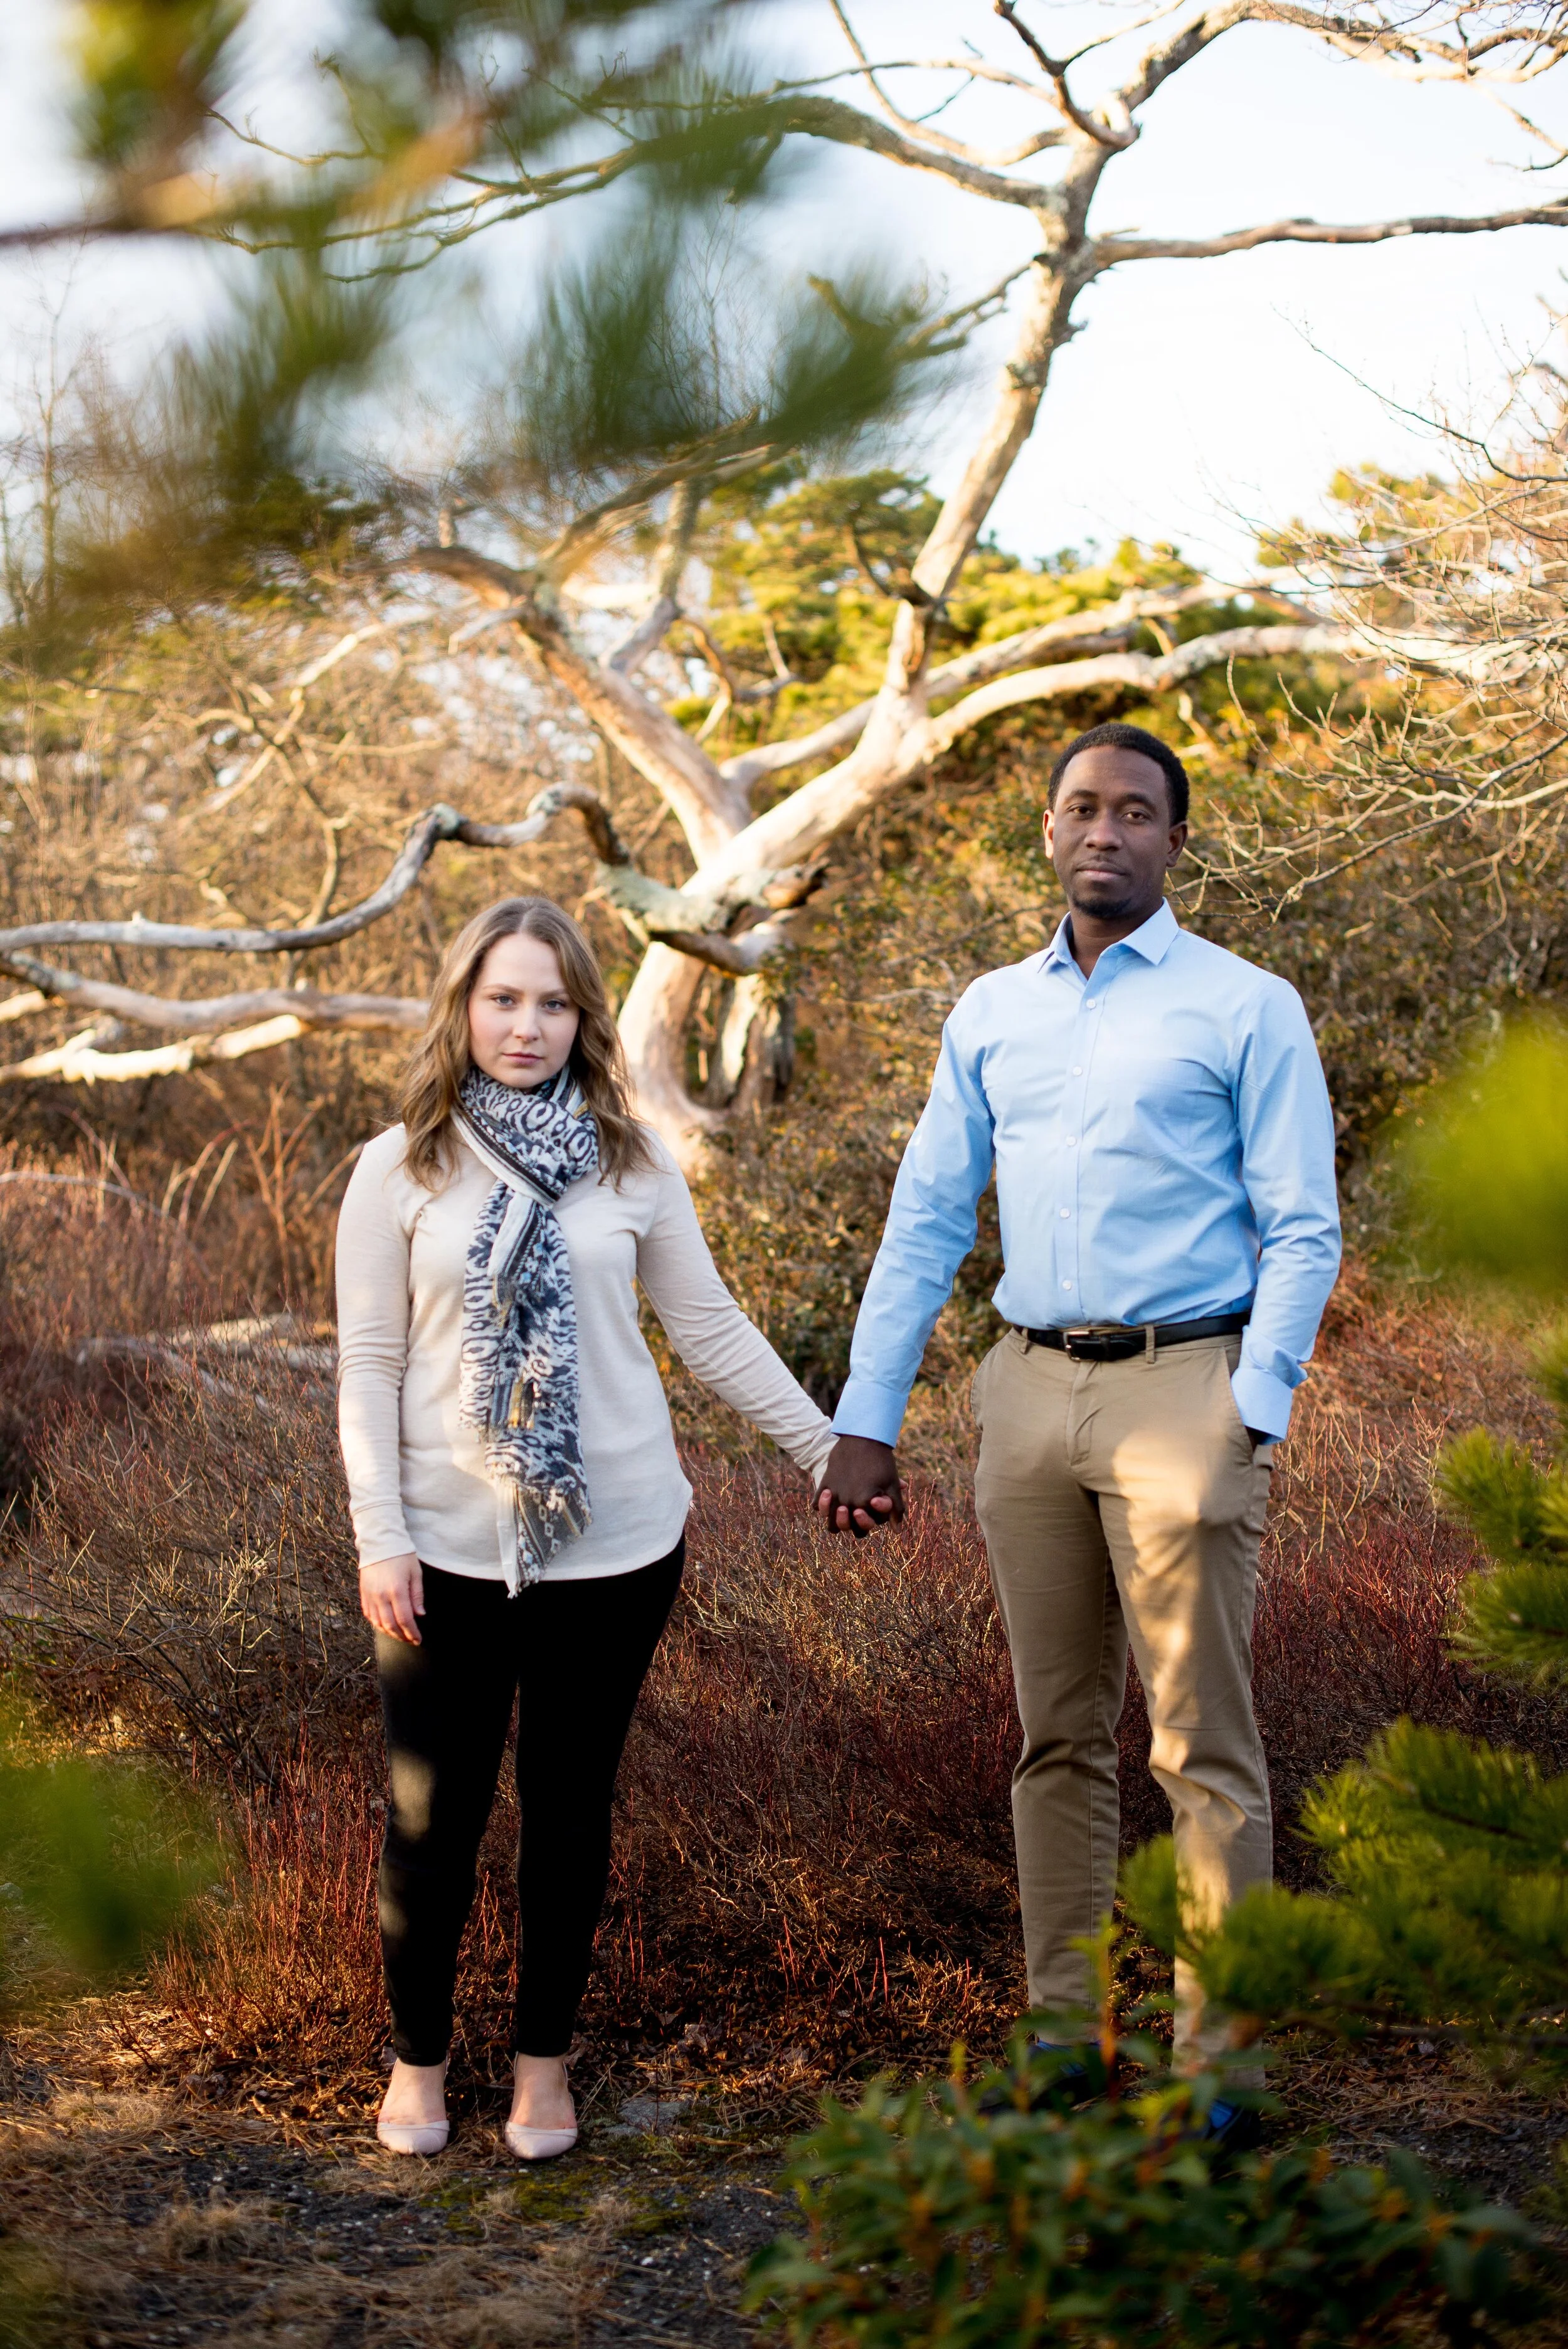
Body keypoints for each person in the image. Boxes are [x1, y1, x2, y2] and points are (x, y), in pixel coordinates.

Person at [817, 722, 1340, 2131]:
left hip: (1187, 1388)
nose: (1100, 831)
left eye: (1131, 812)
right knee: (1053, 1738)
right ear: (1046, 833)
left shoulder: (1246, 1005)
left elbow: (1301, 1225)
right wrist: (865, 1420)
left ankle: (1221, 2067)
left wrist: (1255, 1407)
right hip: (1027, 1390)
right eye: (1077, 809)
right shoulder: (991, 1011)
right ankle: (1065, 2040)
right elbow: (926, 1215)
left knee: (1200, 1749)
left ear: (1173, 839)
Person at [336, 896, 837, 2161]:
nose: (524, 1024)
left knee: (566, 1811)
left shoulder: (633, 1162)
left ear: (584, 1018)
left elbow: (709, 1331)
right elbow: (367, 1361)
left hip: (615, 1547)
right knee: (429, 1820)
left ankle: (543, 2068)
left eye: (551, 1002)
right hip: (442, 1552)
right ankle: (416, 2063)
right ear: (461, 1007)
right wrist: (377, 1535)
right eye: (501, 998)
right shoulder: (399, 1163)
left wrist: (829, 1448)